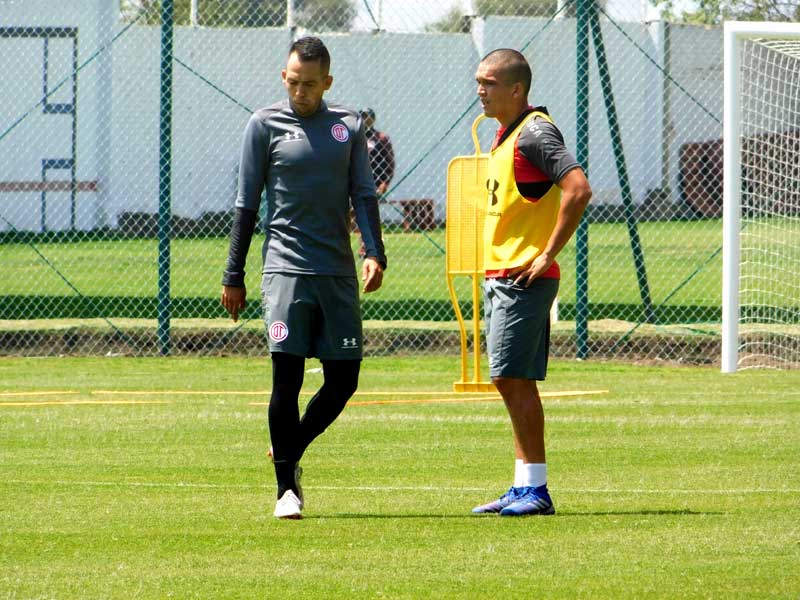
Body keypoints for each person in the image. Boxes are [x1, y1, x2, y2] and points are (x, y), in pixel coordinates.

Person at [220, 36, 386, 520]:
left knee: (344, 380)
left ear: (327, 82)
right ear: (284, 77)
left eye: (310, 84)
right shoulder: (263, 124)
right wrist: (234, 273)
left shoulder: (347, 127)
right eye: (294, 82)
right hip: (284, 270)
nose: (301, 92)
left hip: (336, 270)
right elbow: (246, 203)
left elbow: (363, 193)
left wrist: (374, 251)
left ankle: (291, 445)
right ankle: (285, 490)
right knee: (286, 378)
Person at [470, 49, 592, 517]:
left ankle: (536, 489)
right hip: (506, 275)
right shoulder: (508, 135)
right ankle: (523, 486)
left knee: (509, 378)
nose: (480, 89)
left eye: (489, 82)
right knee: (513, 379)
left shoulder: (535, 133)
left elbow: (578, 188)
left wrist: (546, 254)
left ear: (516, 89)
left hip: (522, 277)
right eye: (479, 81)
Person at [352, 108, 395, 256]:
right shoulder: (354, 136)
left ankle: (369, 247)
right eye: (362, 117)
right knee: (351, 217)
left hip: (373, 184)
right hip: (354, 182)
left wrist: (384, 185)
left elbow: (389, 164)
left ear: (373, 119)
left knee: (369, 216)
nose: (365, 120)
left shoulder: (380, 138)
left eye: (368, 117)